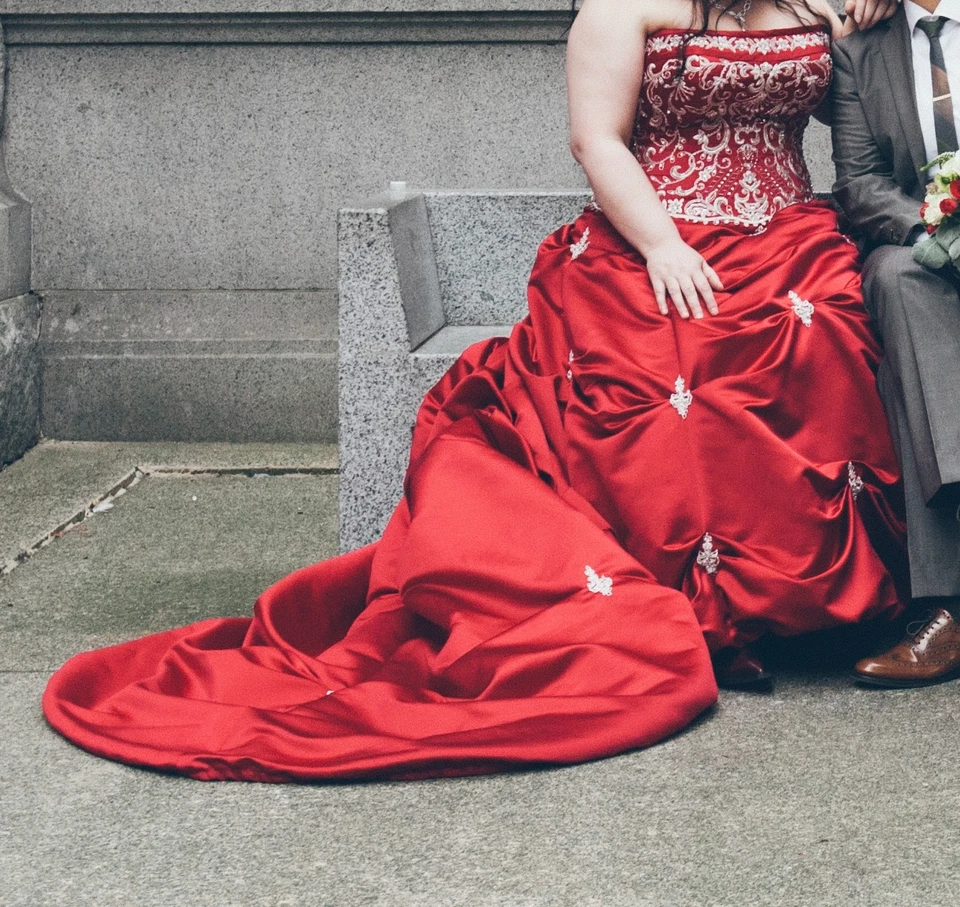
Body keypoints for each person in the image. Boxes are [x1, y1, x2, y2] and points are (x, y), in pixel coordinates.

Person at [42, 0, 905, 784]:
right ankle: (712, 610)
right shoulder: (623, 7)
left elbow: (865, 102)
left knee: (830, 335)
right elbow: (596, 141)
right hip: (659, 239)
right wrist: (662, 246)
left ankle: (830, 608)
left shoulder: (810, 3)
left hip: (789, 240)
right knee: (684, 393)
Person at [832, 0, 960, 687]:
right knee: (896, 278)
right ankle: (951, 608)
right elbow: (860, 184)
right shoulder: (861, 49)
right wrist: (938, 233)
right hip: (925, 242)